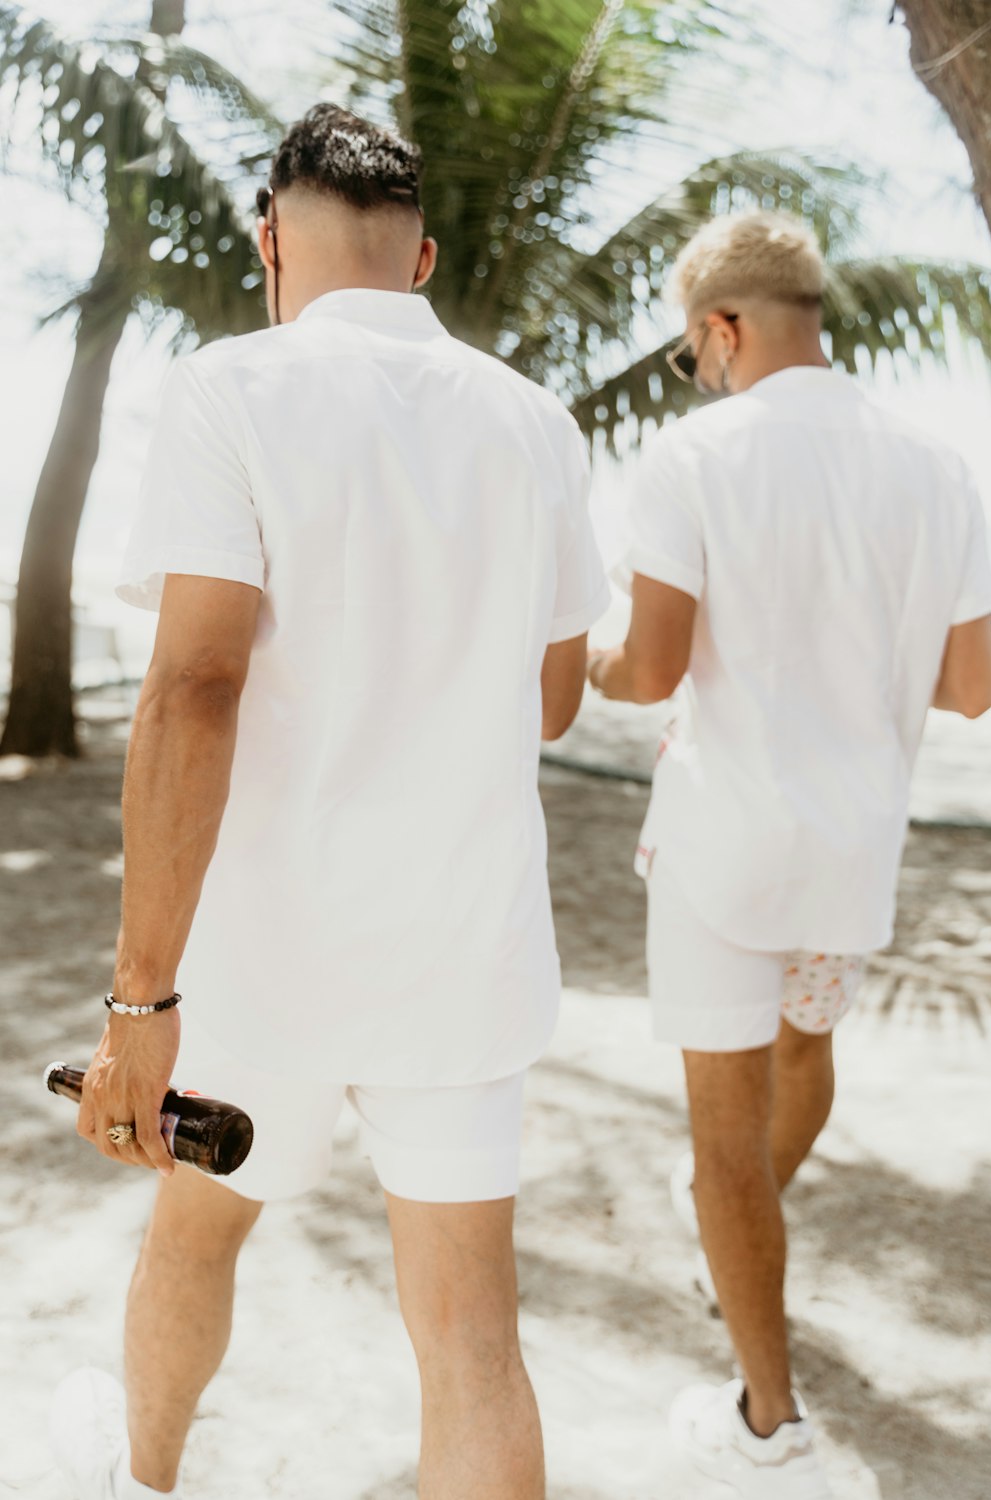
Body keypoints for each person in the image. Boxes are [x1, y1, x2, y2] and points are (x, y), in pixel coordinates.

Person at [50, 104, 609, 1500]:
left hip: (266, 954)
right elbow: (549, 704)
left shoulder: (233, 388)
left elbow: (191, 689)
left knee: (193, 1241)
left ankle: (148, 1486)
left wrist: (138, 1001)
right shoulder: (536, 424)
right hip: (463, 954)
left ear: (268, 244)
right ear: (421, 256)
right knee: (473, 1340)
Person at [588, 210, 991, 1499]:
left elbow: (649, 668)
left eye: (689, 348)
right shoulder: (937, 467)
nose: (693, 371)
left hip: (725, 846)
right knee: (802, 1056)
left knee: (719, 1147)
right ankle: (742, 1245)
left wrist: (582, 657)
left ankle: (770, 1424)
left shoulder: (695, 456)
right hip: (855, 842)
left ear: (723, 327)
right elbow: (974, 686)